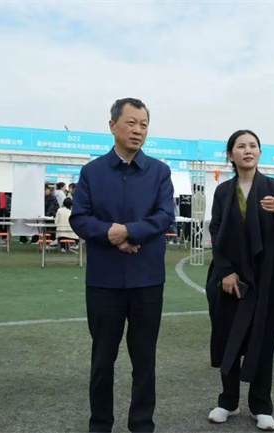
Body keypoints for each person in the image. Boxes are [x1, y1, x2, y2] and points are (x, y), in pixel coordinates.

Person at [70, 98, 174, 433]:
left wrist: (128, 231)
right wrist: (110, 234)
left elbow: (165, 216)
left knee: (144, 360)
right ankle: (100, 423)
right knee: (102, 359)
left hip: (147, 280)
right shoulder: (92, 172)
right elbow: (79, 218)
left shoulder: (159, 172)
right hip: (104, 280)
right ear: (112, 125)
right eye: (131, 123)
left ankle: (142, 423)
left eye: (143, 124)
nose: (138, 130)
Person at [205, 130, 274, 432]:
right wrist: (226, 271)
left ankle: (261, 406)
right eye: (241, 146)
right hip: (231, 278)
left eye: (253, 146)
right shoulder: (223, 191)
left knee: (263, 341)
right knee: (228, 338)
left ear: (259, 152)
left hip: (267, 277)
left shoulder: (273, 187)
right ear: (230, 154)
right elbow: (217, 231)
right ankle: (228, 401)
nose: (248, 150)